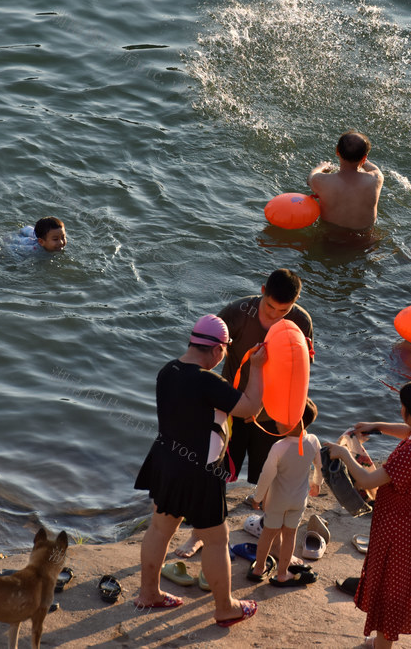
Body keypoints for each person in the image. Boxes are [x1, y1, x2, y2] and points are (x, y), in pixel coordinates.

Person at [133, 315, 264, 626]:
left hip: (165, 461)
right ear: (217, 350)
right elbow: (250, 409)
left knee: (160, 528)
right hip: (199, 472)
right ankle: (225, 607)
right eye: (225, 351)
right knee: (217, 539)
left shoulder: (168, 371)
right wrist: (256, 368)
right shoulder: (208, 381)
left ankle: (148, 593)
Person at [174, 268, 315, 559]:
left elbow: (301, 372)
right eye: (270, 306)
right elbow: (206, 353)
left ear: (296, 302)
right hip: (235, 404)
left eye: (283, 310)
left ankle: (269, 536)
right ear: (262, 290)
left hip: (272, 414)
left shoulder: (301, 321)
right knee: (215, 473)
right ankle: (198, 535)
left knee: (275, 479)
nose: (276, 315)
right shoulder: (239, 312)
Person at [326, 380, 411, 649]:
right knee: (397, 581)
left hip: (397, 523)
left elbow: (369, 481)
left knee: (391, 585)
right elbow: (409, 431)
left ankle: (382, 645)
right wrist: (377, 426)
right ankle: (381, 642)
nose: (401, 411)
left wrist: (345, 454)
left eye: (402, 407)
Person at [247, 414, 322, 587]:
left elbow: (266, 475)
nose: (275, 421)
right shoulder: (313, 440)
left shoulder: (279, 447)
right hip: (298, 500)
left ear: (296, 422)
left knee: (268, 534)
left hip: (277, 501)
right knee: (290, 535)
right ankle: (282, 574)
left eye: (281, 419)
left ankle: (259, 569)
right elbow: (319, 465)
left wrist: (257, 497)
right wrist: (316, 484)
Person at [307, 131, 384, 230]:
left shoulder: (322, 181)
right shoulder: (376, 179)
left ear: (337, 151)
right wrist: (361, 159)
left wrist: (321, 167)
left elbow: (310, 178)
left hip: (331, 238)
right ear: (364, 158)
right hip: (367, 241)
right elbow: (374, 169)